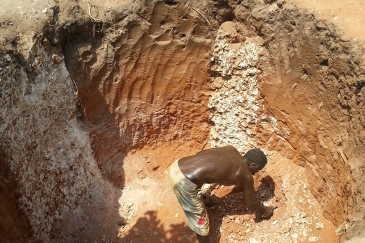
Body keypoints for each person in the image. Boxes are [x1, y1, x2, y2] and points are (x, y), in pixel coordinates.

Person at [167, 145, 276, 243]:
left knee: (201, 179)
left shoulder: (231, 149)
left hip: (178, 164)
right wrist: (265, 210)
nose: (256, 173)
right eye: (257, 170)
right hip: (182, 182)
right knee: (203, 227)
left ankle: (203, 200)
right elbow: (251, 205)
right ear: (253, 165)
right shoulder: (247, 176)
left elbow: (201, 155)